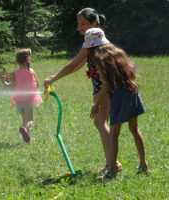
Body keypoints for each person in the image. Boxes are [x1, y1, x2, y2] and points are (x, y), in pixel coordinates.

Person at [44, 8, 122, 173]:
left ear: (94, 23)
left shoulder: (93, 42)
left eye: (83, 23)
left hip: (103, 87)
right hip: (103, 86)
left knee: (101, 122)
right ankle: (111, 162)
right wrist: (56, 77)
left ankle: (113, 164)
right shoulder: (94, 41)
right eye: (78, 23)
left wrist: (53, 79)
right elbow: (78, 65)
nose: (80, 26)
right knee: (101, 122)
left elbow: (73, 64)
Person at [85, 28, 149, 180]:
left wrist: (96, 105)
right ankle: (143, 165)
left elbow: (106, 84)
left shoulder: (99, 59)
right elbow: (131, 71)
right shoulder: (118, 53)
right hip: (132, 92)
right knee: (134, 129)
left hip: (119, 96)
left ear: (91, 46)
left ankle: (111, 172)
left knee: (114, 133)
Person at [2, 48, 42, 143]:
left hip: (18, 100)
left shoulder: (15, 73)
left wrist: (4, 82)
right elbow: (37, 85)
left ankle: (28, 139)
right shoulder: (31, 71)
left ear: (16, 61)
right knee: (30, 120)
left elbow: (11, 87)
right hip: (28, 100)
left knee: (24, 119)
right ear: (28, 59)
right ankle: (24, 128)